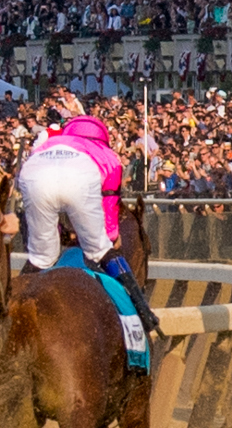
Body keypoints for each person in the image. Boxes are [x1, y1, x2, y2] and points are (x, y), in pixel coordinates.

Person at [14, 98, 162, 341]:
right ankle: (143, 311)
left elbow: (46, 196)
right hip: (79, 177)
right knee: (101, 250)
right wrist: (111, 238)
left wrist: (61, 232)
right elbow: (109, 206)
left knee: (42, 259)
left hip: (33, 172)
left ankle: (11, 305)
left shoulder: (51, 141)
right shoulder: (108, 156)